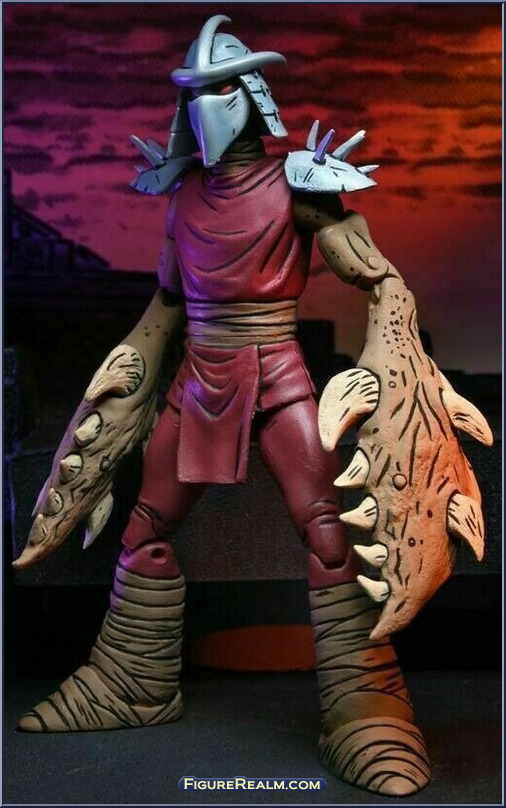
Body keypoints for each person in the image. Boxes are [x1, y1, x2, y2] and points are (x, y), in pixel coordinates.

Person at [14, 15, 433, 796]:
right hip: (198, 379)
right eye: (192, 95)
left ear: (250, 97)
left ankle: (366, 704)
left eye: (218, 91)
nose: (204, 108)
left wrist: (394, 335)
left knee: (330, 533)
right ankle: (129, 682)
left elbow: (365, 267)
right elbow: (167, 305)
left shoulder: (298, 182)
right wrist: (120, 394)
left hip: (279, 378)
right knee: (145, 528)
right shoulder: (182, 198)